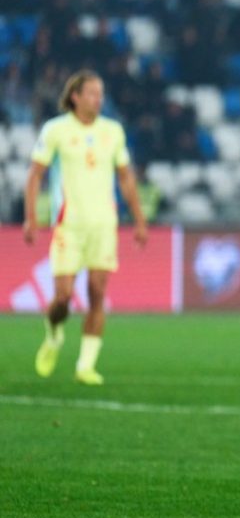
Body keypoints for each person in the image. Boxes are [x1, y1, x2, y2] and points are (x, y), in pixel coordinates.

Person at [23, 69, 148, 386]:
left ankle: (86, 365)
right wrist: (30, 217)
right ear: (75, 96)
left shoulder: (113, 131)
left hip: (104, 225)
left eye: (100, 93)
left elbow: (125, 177)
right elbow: (35, 174)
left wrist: (139, 219)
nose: (98, 98)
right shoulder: (56, 130)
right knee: (63, 297)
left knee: (97, 293)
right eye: (91, 92)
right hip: (69, 226)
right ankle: (53, 335)